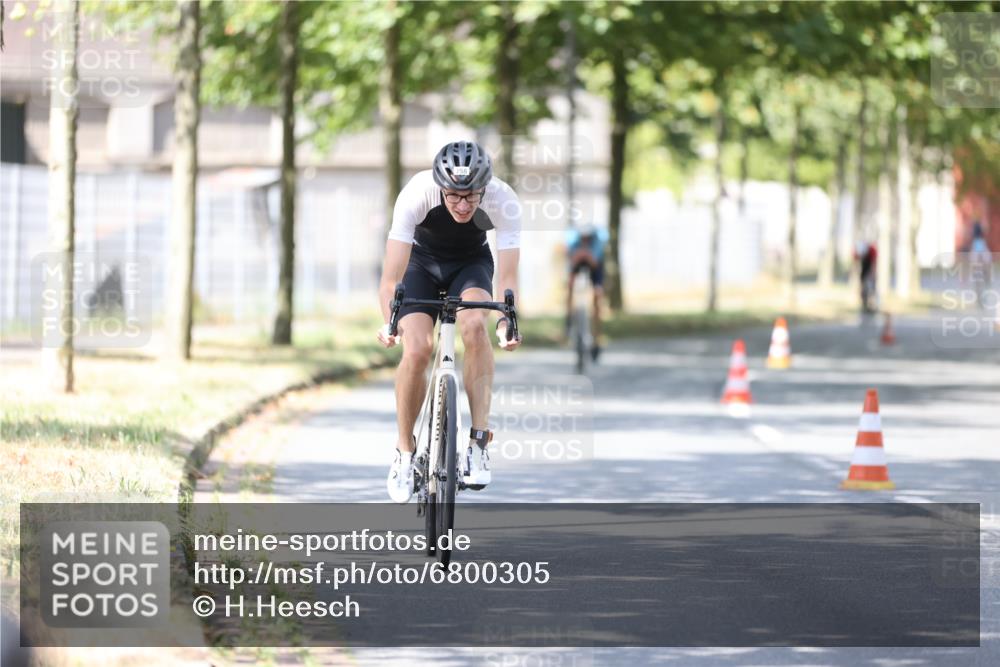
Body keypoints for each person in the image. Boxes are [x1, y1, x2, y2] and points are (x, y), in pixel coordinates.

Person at [376, 141, 523, 504]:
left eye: (471, 197)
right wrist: (389, 322)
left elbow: (507, 277)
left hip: (470, 265)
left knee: (475, 328)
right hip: (419, 265)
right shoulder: (417, 193)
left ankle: (477, 441)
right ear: (440, 187)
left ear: (484, 189)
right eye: (453, 196)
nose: (461, 205)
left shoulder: (503, 199)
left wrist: (507, 321)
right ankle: (405, 452)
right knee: (418, 348)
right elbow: (390, 278)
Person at [565, 223, 608, 360]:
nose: (585, 240)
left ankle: (596, 335)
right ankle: (569, 316)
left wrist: (585, 255)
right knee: (570, 285)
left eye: (587, 238)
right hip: (578, 262)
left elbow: (595, 262)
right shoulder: (573, 241)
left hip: (595, 265)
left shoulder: (598, 242)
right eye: (583, 238)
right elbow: (572, 260)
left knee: (598, 293)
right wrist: (580, 256)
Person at [855, 240, 878, 313]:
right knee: (863, 289)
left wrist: (872, 274)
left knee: (871, 289)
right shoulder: (857, 252)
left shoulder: (872, 250)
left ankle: (872, 306)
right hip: (863, 271)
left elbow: (874, 263)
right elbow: (856, 263)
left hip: (870, 271)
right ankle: (864, 305)